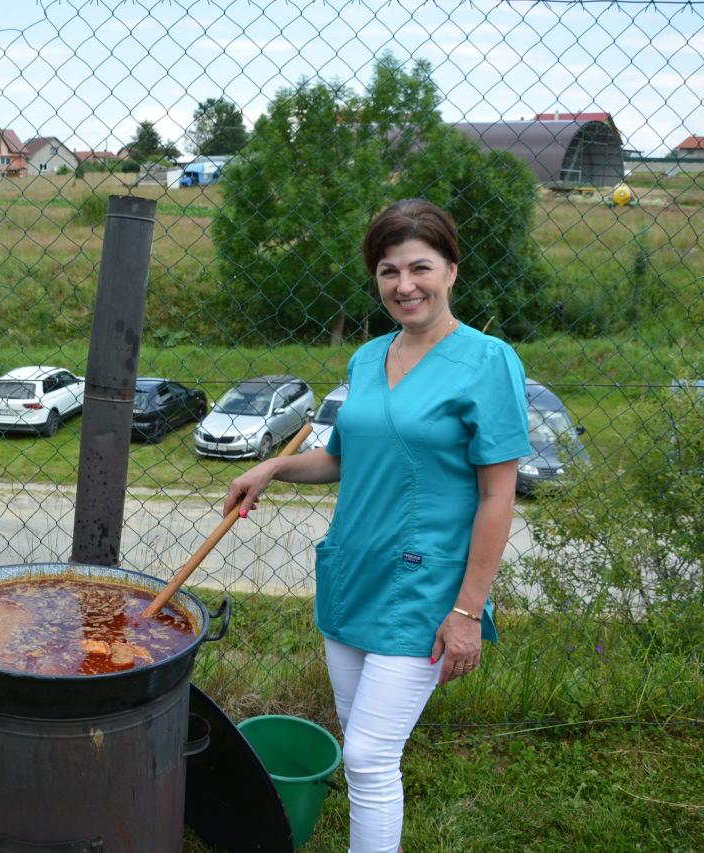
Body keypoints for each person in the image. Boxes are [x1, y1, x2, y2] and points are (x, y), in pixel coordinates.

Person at [225, 199, 531, 852]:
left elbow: (497, 496)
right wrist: (274, 467)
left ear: (451, 270)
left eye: (420, 267)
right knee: (360, 738)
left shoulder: (488, 361)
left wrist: (468, 611)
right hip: (352, 574)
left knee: (367, 755)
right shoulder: (367, 358)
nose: (404, 285)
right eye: (389, 271)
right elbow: (341, 459)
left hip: (424, 586)